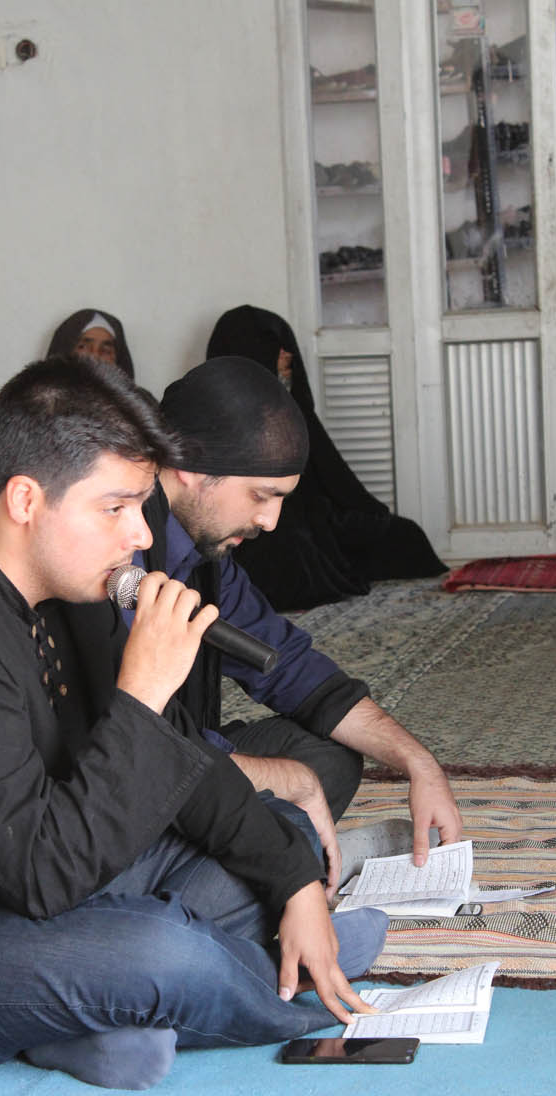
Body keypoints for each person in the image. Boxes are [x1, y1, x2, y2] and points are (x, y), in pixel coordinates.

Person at [0, 356, 388, 1091]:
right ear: (26, 499)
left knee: (277, 836)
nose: (140, 536)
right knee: (160, 951)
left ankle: (78, 1019)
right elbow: (44, 876)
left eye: (141, 507)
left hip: (18, 886)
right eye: (116, 508)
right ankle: (292, 995)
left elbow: (178, 761)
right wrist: (143, 693)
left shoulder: (65, 584)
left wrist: (295, 885)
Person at [131, 355, 462, 896]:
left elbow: (292, 669)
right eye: (260, 495)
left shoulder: (204, 553)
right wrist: (293, 783)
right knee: (291, 784)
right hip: (132, 776)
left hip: (189, 759)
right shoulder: (119, 552)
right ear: (188, 465)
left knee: (329, 754)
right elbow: (138, 749)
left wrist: (418, 762)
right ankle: (261, 875)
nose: (269, 521)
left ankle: (265, 864)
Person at [205, 304, 447, 610]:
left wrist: (356, 509)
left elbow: (330, 472)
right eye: (275, 348)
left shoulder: (292, 409)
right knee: (294, 552)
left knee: (403, 535)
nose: (287, 356)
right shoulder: (215, 418)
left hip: (314, 513)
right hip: (261, 524)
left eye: (286, 347)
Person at [46, 308, 134, 377]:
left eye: (106, 350)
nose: (95, 356)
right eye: (83, 347)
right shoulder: (43, 395)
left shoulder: (135, 396)